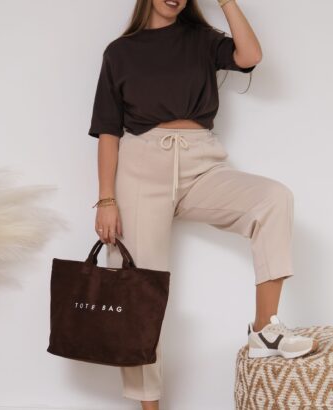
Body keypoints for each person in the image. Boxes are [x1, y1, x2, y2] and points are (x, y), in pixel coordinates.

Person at [88, 0, 319, 408]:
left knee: (272, 199)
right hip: (141, 170)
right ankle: (149, 405)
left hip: (201, 164)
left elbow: (250, 55)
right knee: (139, 292)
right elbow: (108, 131)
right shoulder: (120, 52)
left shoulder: (201, 40)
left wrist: (226, 1)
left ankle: (265, 330)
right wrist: (106, 198)